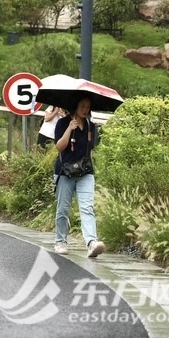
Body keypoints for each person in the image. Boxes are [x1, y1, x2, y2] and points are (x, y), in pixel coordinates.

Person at [53, 94, 105, 258]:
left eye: (88, 107)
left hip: (85, 173)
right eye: (82, 106)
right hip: (65, 172)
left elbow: (91, 150)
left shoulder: (92, 127)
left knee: (87, 207)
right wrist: (70, 128)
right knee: (63, 209)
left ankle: (91, 242)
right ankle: (60, 241)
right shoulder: (63, 123)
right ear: (76, 106)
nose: (85, 109)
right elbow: (60, 147)